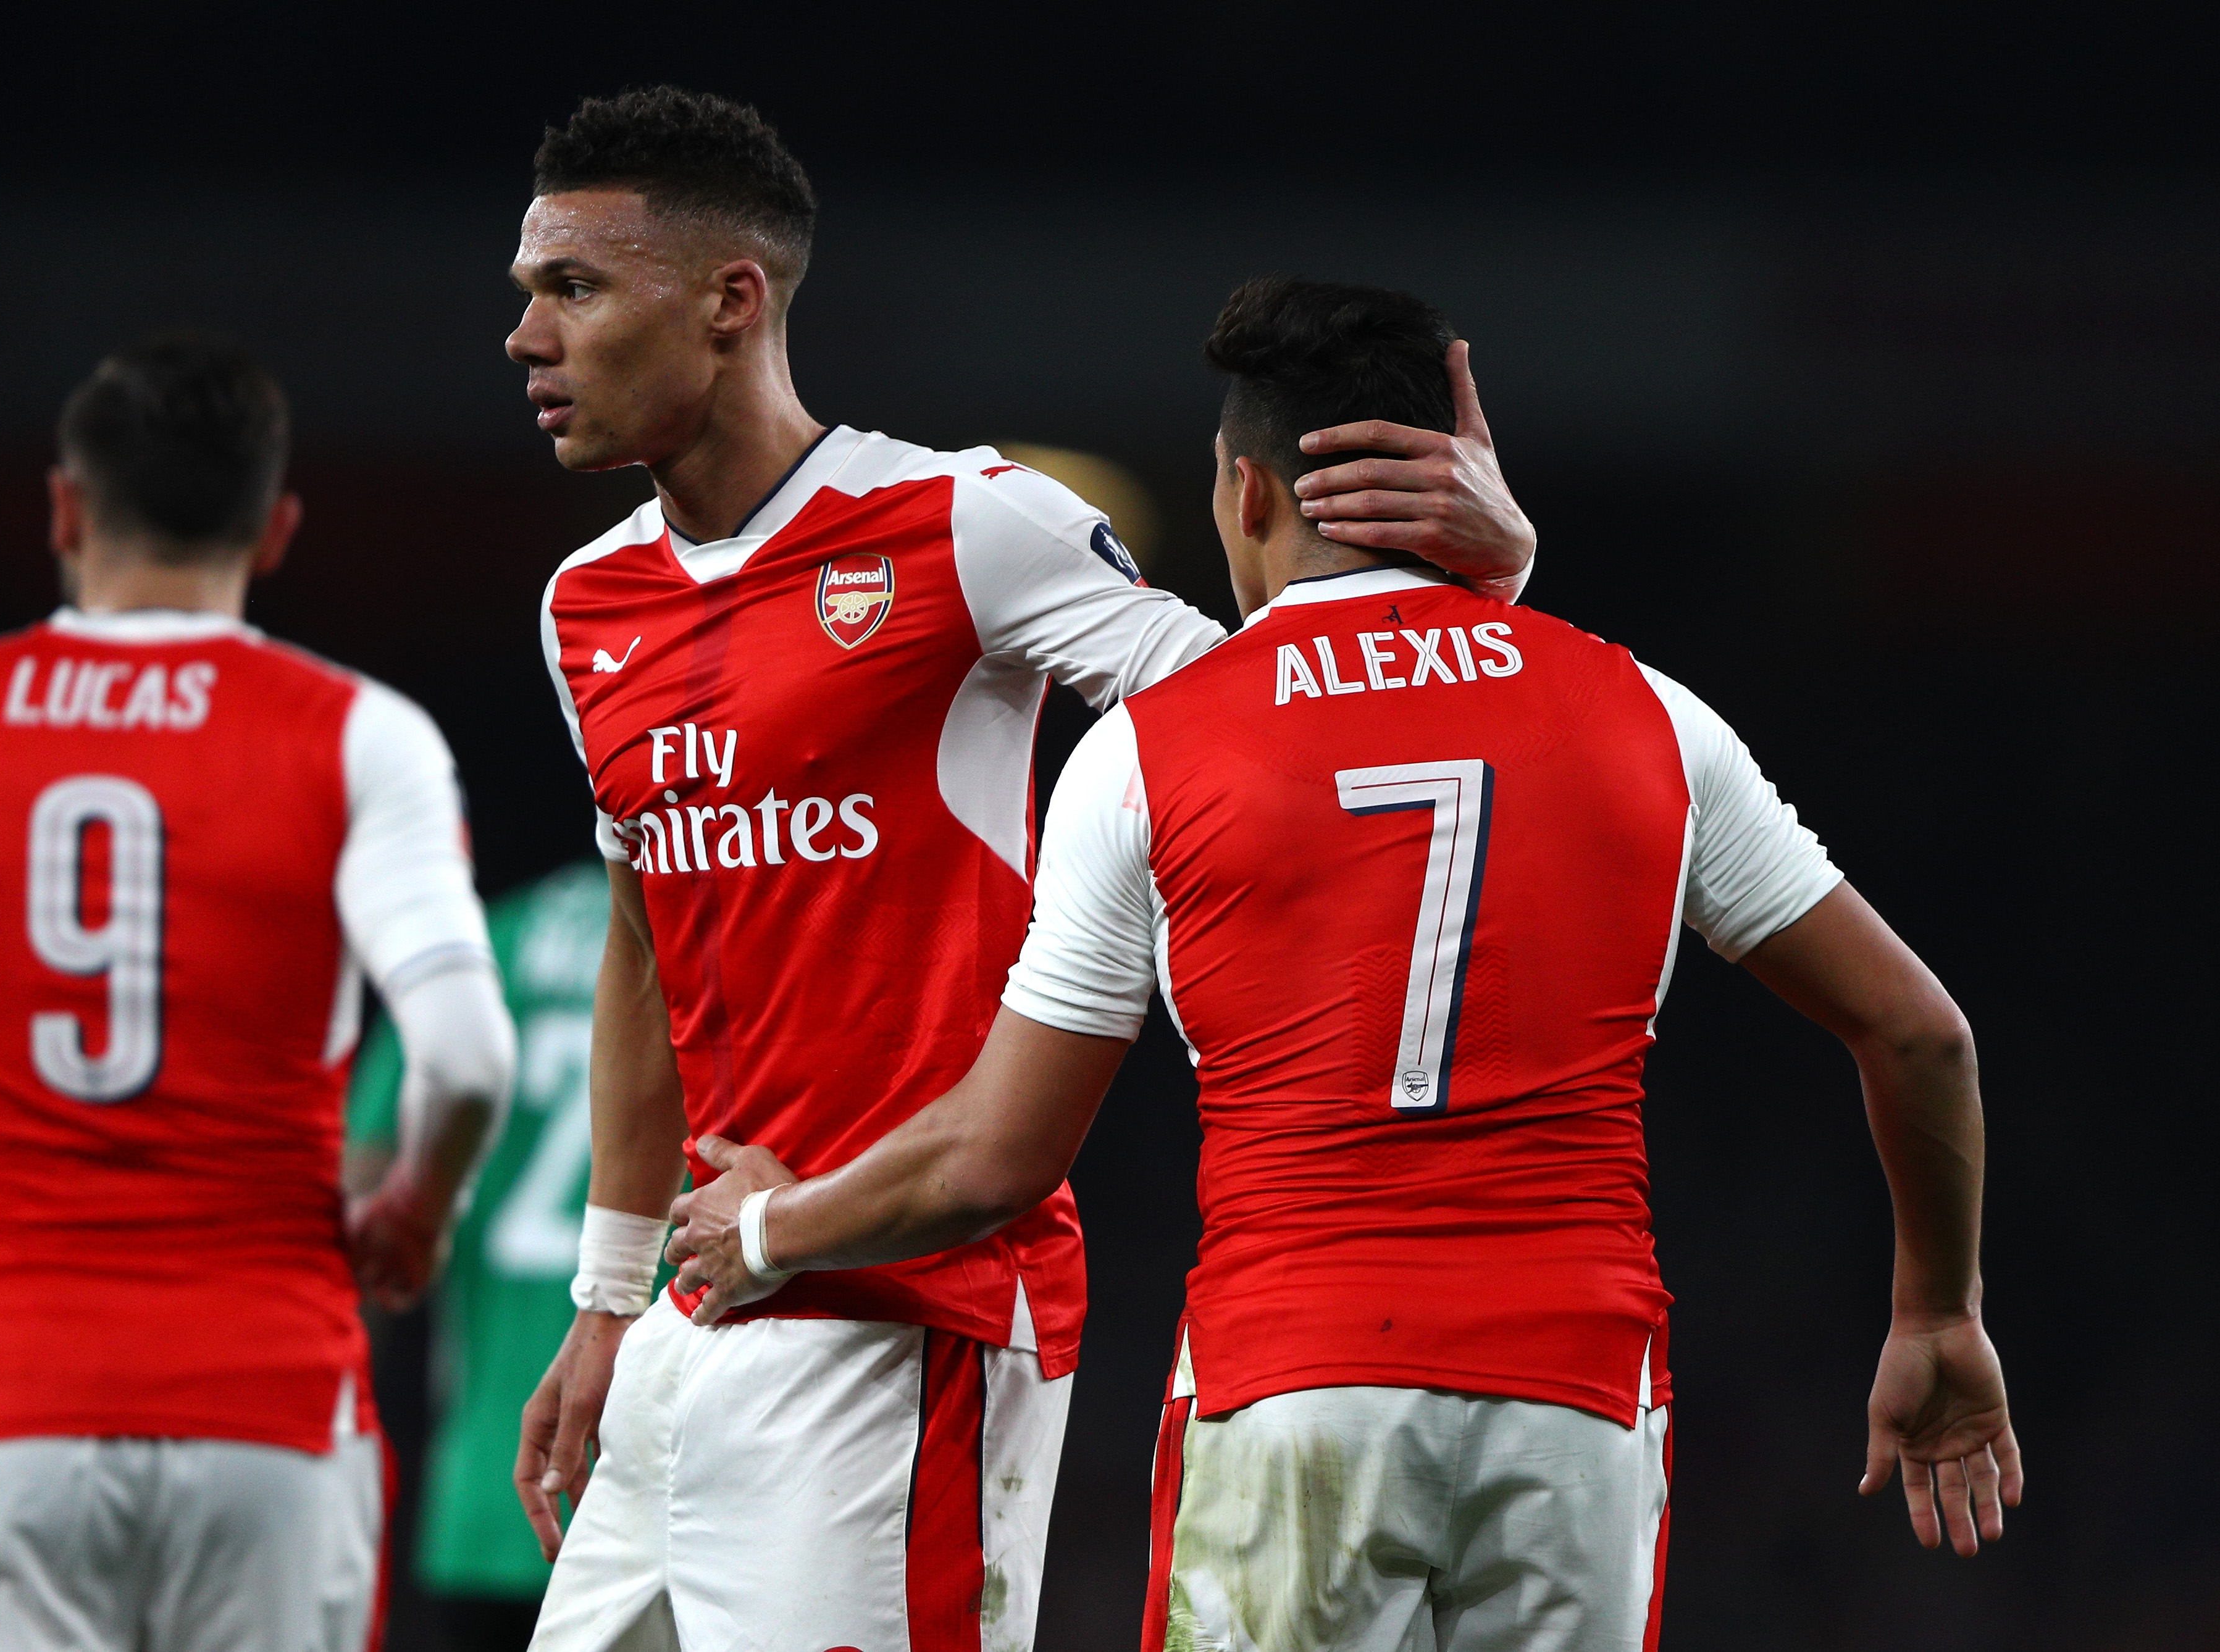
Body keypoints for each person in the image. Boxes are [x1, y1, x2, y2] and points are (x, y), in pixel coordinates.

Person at [668, 278, 2021, 1651]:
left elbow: (995, 1161)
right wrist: (1937, 1312)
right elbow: (1924, 1037)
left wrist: (771, 1230)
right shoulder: (1647, 716)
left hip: (1293, 1392)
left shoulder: (1154, 751)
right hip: (1582, 1401)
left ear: (1244, 491)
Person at [507, 90, 1538, 1652]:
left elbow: (1276, 727)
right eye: (527, 289)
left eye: (571, 288)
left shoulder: (962, 525)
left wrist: (1496, 583)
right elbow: (647, 946)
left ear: (733, 301)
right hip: (693, 1306)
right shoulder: (589, 603)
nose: (526, 334)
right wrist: (606, 1295)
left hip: (905, 1311)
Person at [0, 333, 516, 1652]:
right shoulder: (361, 734)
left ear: (65, 510)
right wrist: (413, 1213)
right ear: (278, 528)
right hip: (272, 1411)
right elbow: (467, 1062)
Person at [346, 861, 613, 1650]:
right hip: (658, 1492)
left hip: (483, 1488)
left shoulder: (484, 949)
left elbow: (360, 1207)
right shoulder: (708, 933)